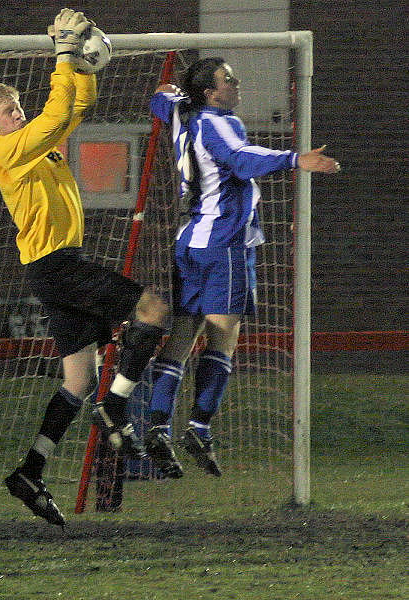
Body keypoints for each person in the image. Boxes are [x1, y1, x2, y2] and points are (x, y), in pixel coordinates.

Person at [0, 8, 169, 527]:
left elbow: (76, 107)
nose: (19, 113)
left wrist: (80, 64)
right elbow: (57, 116)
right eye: (10, 110)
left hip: (54, 268)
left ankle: (30, 471)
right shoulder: (6, 150)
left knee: (78, 379)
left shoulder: (34, 145)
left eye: (18, 106)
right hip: (57, 266)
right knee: (152, 308)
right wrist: (62, 53)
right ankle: (118, 407)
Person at [144, 57, 340, 478]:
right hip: (225, 245)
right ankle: (198, 427)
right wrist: (295, 160)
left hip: (191, 241)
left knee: (181, 338)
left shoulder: (182, 111)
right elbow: (241, 159)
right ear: (211, 93)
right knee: (222, 340)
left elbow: (161, 101)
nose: (236, 84)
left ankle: (157, 425)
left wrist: (165, 94)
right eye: (228, 79)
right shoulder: (218, 121)